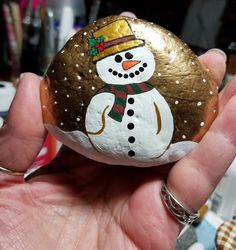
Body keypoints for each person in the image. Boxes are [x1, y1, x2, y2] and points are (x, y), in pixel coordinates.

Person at [0, 14, 236, 250]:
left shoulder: (152, 94)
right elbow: (94, 120)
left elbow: (163, 118)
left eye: (130, 56)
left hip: (154, 147)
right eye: (119, 59)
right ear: (104, 68)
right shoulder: (104, 97)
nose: (127, 63)